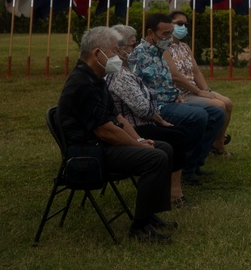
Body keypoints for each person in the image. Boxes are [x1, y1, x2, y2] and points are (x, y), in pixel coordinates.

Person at [57, 26, 175, 242]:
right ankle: (139, 228)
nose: (120, 56)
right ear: (97, 54)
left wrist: (138, 140)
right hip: (91, 154)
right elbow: (105, 130)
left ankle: (148, 215)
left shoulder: (96, 77)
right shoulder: (81, 84)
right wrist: (138, 146)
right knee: (155, 157)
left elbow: (117, 117)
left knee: (163, 148)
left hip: (103, 147)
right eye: (114, 51)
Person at [128, 13, 226, 178]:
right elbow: (136, 90)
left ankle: (193, 162)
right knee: (199, 115)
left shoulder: (159, 52)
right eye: (165, 34)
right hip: (157, 108)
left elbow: (166, 82)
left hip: (172, 101)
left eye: (170, 33)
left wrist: (176, 95)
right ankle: (187, 166)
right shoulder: (139, 56)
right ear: (151, 33)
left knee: (217, 113)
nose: (169, 37)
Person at [109, 25, 191, 206]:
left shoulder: (125, 69)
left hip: (139, 121)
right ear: (119, 49)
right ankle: (174, 193)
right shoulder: (119, 74)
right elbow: (142, 108)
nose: (135, 49)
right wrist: (160, 119)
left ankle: (173, 186)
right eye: (131, 46)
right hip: (135, 126)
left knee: (179, 132)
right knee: (176, 137)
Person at [165, 11, 234, 157]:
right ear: (169, 24)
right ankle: (207, 146)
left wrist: (206, 90)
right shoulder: (164, 48)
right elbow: (175, 76)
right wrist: (198, 92)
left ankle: (218, 142)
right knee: (219, 105)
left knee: (228, 103)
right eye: (179, 23)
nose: (183, 27)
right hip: (180, 94)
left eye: (185, 24)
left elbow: (196, 72)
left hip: (194, 91)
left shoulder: (185, 47)